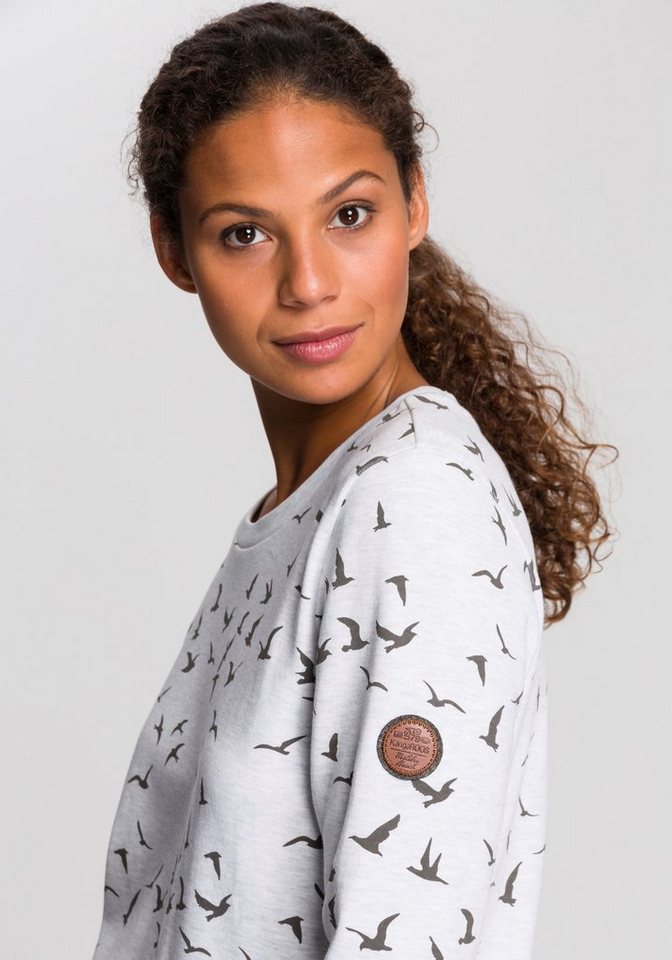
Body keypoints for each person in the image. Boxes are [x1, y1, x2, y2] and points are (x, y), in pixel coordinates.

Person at [92, 3, 617, 957]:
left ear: (415, 203)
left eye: (348, 215)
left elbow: (408, 933)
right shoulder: (312, 506)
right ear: (174, 252)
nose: (308, 283)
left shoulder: (415, 500)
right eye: (245, 234)